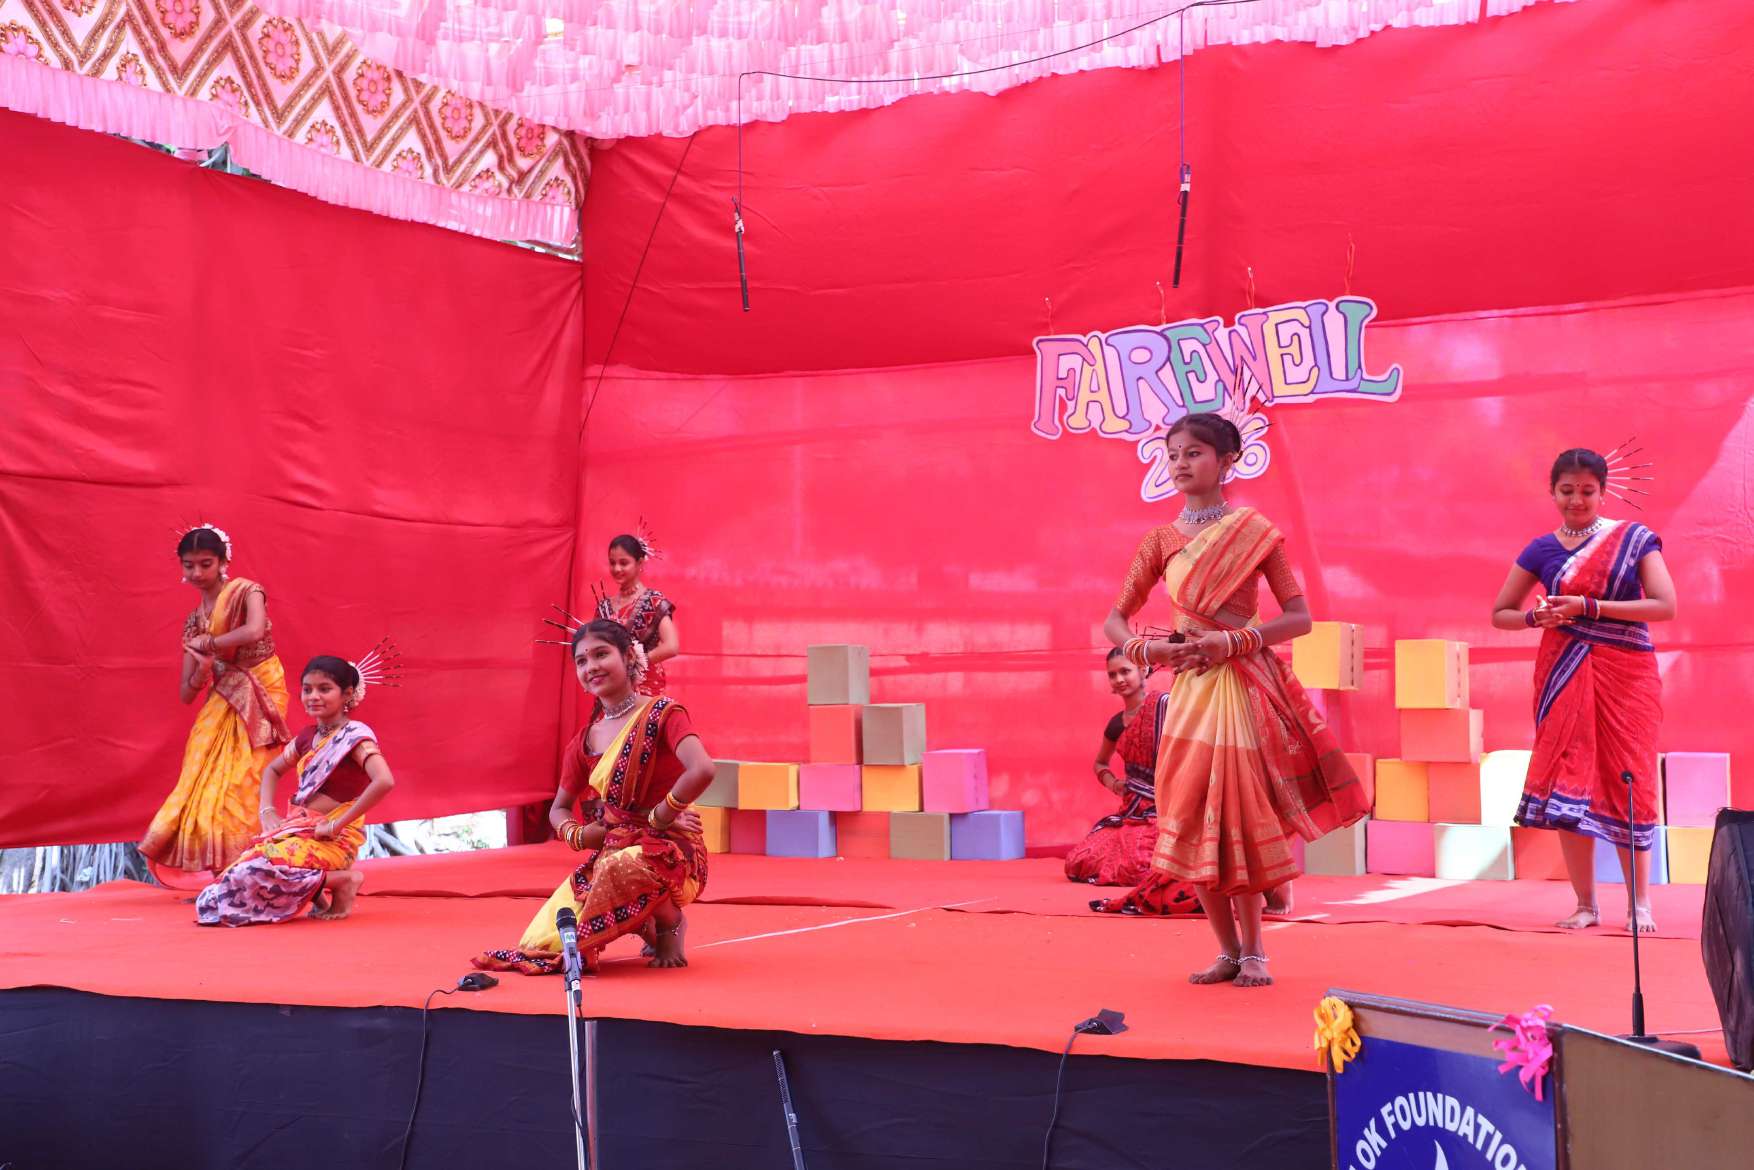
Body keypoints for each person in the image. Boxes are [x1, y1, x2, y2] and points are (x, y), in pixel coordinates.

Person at [1101, 414, 1367, 987]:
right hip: (1190, 696)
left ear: (1227, 461)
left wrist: (1234, 641)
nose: (1180, 463)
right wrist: (1150, 652)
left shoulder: (1255, 533)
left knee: (1237, 816)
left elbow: (1299, 617)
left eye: (1194, 452)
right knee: (1190, 814)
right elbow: (1115, 620)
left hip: (1242, 688)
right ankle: (1225, 951)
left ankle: (1254, 951)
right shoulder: (1159, 541)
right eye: (1173, 453)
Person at [1489, 448, 1675, 934]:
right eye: (1567, 490)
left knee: (1630, 776)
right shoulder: (1539, 549)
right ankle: (1586, 904)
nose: (1576, 500)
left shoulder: (1633, 539)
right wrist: (1536, 617)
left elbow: (1664, 605)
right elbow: (1501, 613)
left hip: (1627, 674)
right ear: (1551, 492)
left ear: (1603, 492)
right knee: (1570, 776)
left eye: (1587, 491)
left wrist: (1589, 607)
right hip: (1564, 670)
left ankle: (1639, 904)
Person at [476, 619, 713, 974]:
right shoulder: (585, 740)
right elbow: (558, 808)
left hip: (671, 850)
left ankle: (669, 922)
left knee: (620, 867)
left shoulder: (663, 714)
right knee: (543, 943)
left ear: (629, 657)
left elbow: (702, 769)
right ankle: (643, 922)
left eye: (601, 654)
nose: (591, 667)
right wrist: (579, 835)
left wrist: (662, 815)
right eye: (581, 661)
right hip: (612, 850)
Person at [195, 656, 397, 925]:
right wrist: (267, 811)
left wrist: (336, 824)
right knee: (221, 888)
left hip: (334, 839)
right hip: (300, 831)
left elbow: (384, 781)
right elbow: (272, 770)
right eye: (307, 689)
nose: (313, 696)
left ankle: (344, 880)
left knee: (257, 869)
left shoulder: (354, 736)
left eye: (324, 689)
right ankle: (318, 895)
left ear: (347, 694)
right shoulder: (307, 737)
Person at [141, 525, 292, 881]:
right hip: (222, 697)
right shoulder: (194, 622)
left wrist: (208, 644)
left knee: (242, 782)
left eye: (205, 564)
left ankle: (249, 872)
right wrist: (204, 670)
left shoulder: (247, 592)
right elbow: (186, 693)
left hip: (260, 691)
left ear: (224, 562)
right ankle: (222, 878)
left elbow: (254, 631)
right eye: (189, 565)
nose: (197, 573)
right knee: (202, 781)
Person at [598, 533, 679, 696]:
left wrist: (635, 662)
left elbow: (671, 646)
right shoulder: (604, 607)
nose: (617, 569)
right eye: (612, 563)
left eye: (624, 563)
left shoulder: (654, 601)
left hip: (644, 685)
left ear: (640, 563)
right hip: (613, 687)